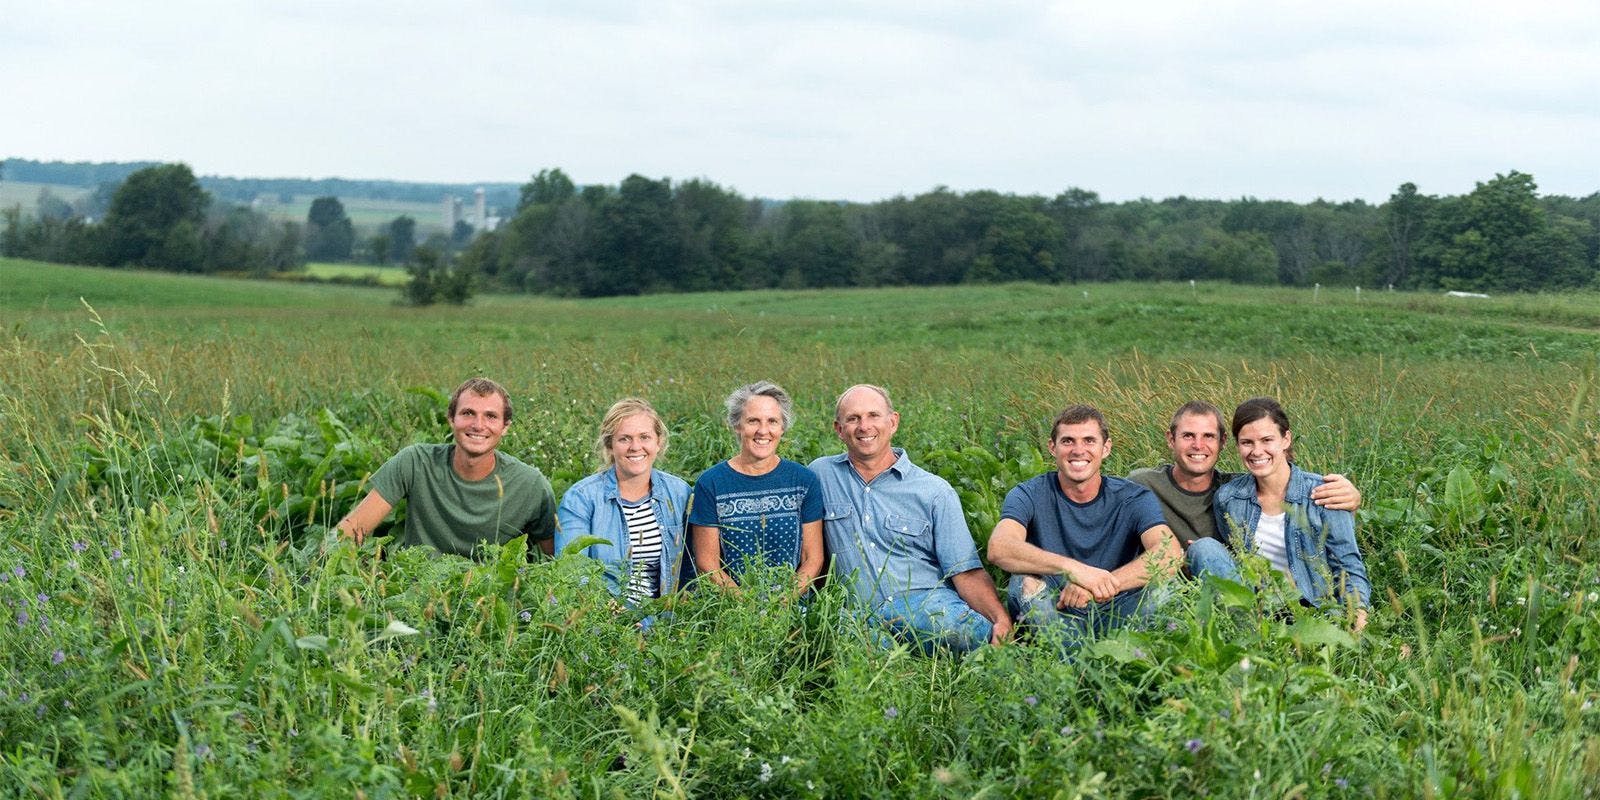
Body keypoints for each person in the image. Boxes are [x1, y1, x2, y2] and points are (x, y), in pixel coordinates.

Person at [809, 385, 1011, 653]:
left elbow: (965, 571)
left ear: (893, 422)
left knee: (972, 636)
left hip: (923, 604)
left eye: (873, 416)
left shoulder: (934, 491)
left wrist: (1000, 619)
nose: (864, 426)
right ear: (839, 429)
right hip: (855, 612)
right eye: (853, 418)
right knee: (857, 655)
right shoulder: (820, 475)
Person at [987, 404, 1182, 646]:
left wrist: (1097, 585)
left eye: (1089, 441)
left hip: (1117, 607)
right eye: (1068, 441)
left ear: (1106, 448)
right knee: (1024, 584)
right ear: (1052, 447)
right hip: (1056, 607)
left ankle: (1105, 655)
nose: (1078, 450)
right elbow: (999, 547)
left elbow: (1169, 554)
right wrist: (1074, 570)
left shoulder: (1133, 497)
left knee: (1165, 591)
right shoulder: (1028, 493)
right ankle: (1073, 660)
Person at [1202, 397, 1371, 630]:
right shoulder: (1229, 499)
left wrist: (1357, 621)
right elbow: (1235, 558)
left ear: (1286, 439)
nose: (1256, 451)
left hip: (1315, 612)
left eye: (1267, 440)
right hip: (1261, 613)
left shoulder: (1326, 493)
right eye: (1247, 442)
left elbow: (1348, 568)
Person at [338, 377, 556, 558]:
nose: (478, 425)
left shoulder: (531, 485)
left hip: (491, 599)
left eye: (490, 416)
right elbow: (352, 530)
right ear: (451, 419)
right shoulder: (416, 462)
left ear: (505, 426)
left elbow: (554, 563)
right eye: (468, 413)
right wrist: (317, 571)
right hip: (418, 593)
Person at [1126, 400, 1360, 561]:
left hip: (1226, 592)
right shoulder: (1141, 484)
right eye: (1188, 436)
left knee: (1206, 550)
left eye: (1208, 436)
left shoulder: (1235, 491)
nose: (1198, 445)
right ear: (1170, 439)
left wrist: (1353, 497)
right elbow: (1098, 497)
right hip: (1168, 590)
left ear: (1223, 442)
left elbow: (1284, 486)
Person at [689, 381, 825, 597]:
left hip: (792, 605)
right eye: (753, 421)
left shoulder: (803, 481)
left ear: (782, 427)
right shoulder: (711, 483)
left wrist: (783, 602)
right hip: (733, 609)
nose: (763, 431)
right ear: (736, 425)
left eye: (772, 421)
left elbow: (812, 558)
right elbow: (708, 563)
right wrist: (748, 607)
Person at [555, 398, 691, 605]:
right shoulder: (581, 499)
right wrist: (614, 616)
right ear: (610, 446)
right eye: (624, 439)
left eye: (644, 437)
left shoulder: (679, 493)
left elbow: (693, 565)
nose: (636, 447)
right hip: (607, 625)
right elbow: (572, 572)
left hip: (668, 623)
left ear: (658, 441)